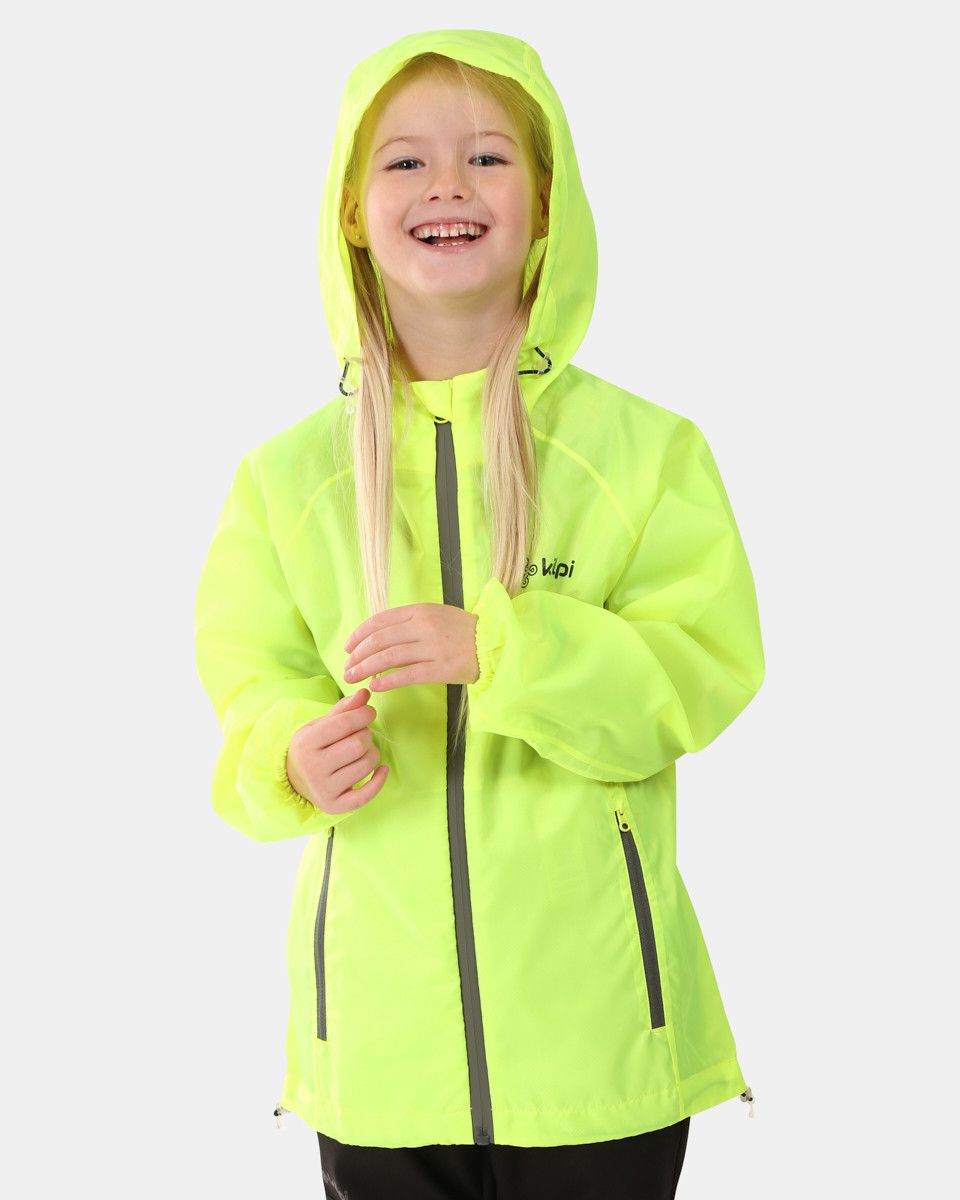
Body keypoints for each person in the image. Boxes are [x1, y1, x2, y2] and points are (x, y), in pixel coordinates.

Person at [194, 27, 764, 1200]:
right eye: (404, 161)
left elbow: (698, 669)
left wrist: (499, 649)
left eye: (488, 158)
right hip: (379, 1054)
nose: (446, 185)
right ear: (352, 212)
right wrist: (290, 756)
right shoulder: (285, 482)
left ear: (547, 202)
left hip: (599, 1045)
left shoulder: (644, 454)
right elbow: (250, 684)